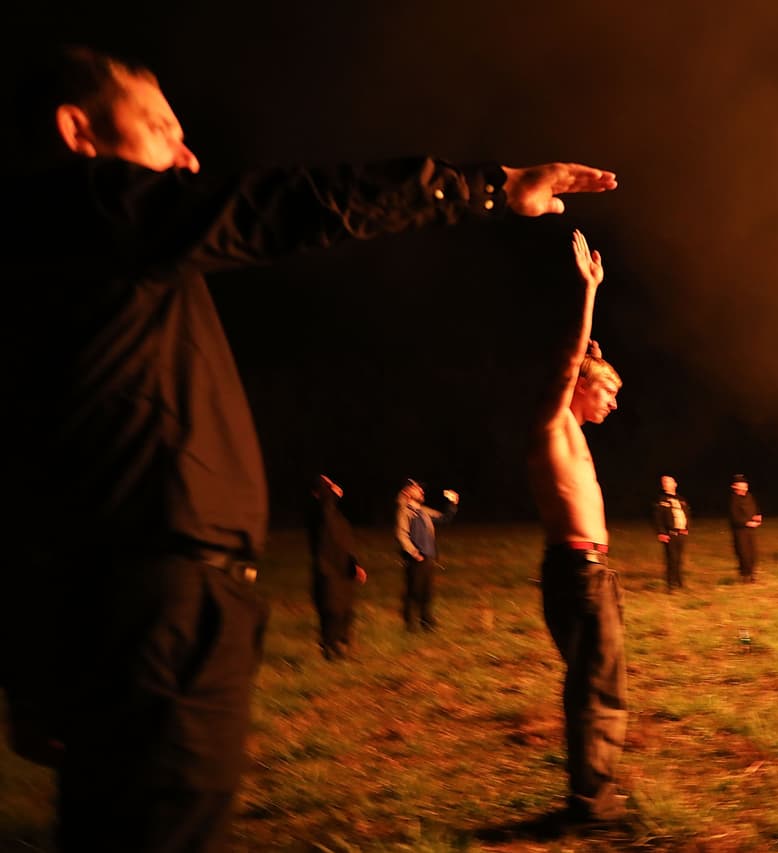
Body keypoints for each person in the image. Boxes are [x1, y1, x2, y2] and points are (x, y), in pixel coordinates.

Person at [3, 45, 618, 852]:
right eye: (159, 127)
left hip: (149, 606)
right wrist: (486, 185)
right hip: (156, 610)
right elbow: (285, 205)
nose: (188, 154)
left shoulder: (108, 271)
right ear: (77, 133)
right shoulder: (86, 208)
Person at [527, 230, 627, 823]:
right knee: (596, 685)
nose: (612, 402)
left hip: (588, 570)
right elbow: (569, 360)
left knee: (594, 680)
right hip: (576, 570)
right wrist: (587, 292)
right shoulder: (551, 424)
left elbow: (580, 361)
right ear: (582, 387)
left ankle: (592, 793)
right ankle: (594, 803)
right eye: (607, 391)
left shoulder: (574, 436)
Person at [305, 475, 367, 660]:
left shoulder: (334, 514)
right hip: (328, 569)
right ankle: (330, 647)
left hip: (344, 569)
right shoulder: (319, 512)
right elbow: (326, 510)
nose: (333, 487)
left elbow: (345, 541)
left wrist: (354, 564)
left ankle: (342, 643)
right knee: (332, 609)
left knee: (346, 609)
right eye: (328, 485)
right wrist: (333, 492)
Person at [396, 479, 459, 632]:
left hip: (429, 558)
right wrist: (414, 552)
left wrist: (453, 504)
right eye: (416, 488)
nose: (421, 491)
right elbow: (401, 534)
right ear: (407, 493)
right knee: (414, 591)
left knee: (427, 592)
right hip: (416, 559)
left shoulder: (423, 511)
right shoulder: (405, 512)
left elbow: (443, 519)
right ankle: (410, 625)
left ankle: (427, 623)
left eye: (420, 489)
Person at [652, 475, 691, 591]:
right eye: (664, 482)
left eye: (669, 482)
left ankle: (679, 582)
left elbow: (687, 515)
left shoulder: (681, 499)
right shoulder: (662, 500)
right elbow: (657, 518)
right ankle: (671, 585)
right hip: (670, 534)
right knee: (672, 559)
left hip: (681, 534)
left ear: (675, 484)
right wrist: (661, 533)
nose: (666, 484)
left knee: (679, 559)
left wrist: (687, 527)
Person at [728, 474, 763, 582]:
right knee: (743, 553)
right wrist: (747, 523)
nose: (744, 487)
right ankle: (745, 575)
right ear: (735, 487)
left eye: (745, 485)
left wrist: (758, 516)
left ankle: (752, 573)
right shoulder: (733, 499)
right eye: (741, 485)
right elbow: (734, 517)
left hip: (751, 530)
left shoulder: (749, 496)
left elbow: (755, 508)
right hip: (740, 531)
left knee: (753, 552)